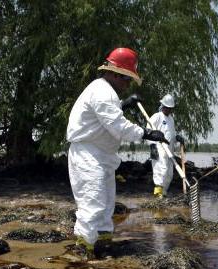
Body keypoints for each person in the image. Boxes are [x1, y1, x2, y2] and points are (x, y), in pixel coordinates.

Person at [66, 47, 168, 257]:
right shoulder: (102, 92)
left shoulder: (105, 92)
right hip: (89, 155)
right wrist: (146, 133)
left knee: (105, 206)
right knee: (92, 204)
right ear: (114, 74)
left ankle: (103, 246)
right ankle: (82, 253)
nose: (127, 84)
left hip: (101, 155)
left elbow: (105, 118)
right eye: (126, 79)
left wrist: (123, 105)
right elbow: (118, 127)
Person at [148, 94, 185, 198]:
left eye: (170, 108)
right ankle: (158, 194)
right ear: (163, 106)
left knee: (169, 174)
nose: (169, 110)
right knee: (161, 170)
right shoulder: (157, 116)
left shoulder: (171, 119)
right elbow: (148, 130)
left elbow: (171, 134)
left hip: (169, 150)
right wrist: (152, 146)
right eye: (167, 108)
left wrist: (177, 137)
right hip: (159, 148)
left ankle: (163, 194)